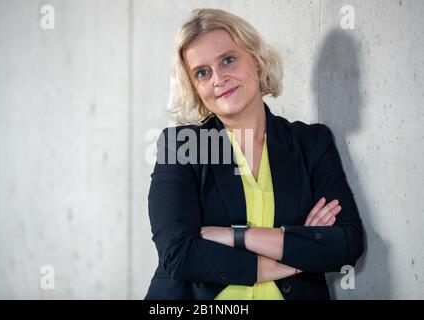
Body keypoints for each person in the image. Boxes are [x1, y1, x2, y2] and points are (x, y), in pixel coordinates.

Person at [144, 8, 364, 300]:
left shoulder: (311, 143)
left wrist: (233, 236)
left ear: (257, 61)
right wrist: (299, 252)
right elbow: (178, 254)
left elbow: (346, 245)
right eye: (202, 72)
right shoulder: (181, 145)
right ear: (195, 88)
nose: (218, 79)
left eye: (228, 60)